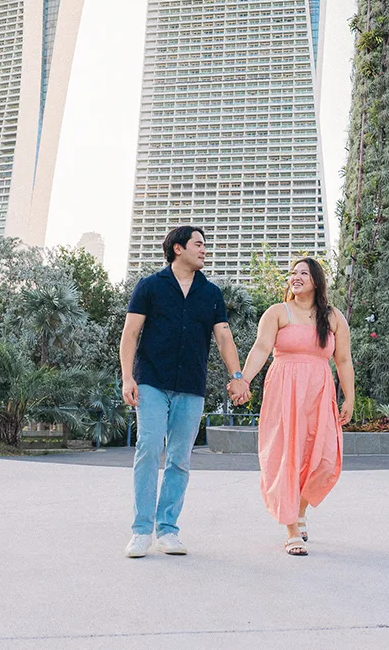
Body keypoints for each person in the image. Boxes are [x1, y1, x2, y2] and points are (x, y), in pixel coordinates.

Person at [119, 225, 249, 558]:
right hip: (151, 380)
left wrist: (237, 376)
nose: (205, 250)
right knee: (148, 448)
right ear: (178, 248)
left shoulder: (211, 294)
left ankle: (168, 530)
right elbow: (131, 333)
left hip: (191, 385)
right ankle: (140, 530)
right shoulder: (150, 286)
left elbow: (224, 338)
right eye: (199, 244)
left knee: (180, 458)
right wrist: (126, 378)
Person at [235, 257, 353, 555]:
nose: (296, 277)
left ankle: (299, 510)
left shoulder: (334, 317)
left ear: (316, 280)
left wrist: (349, 397)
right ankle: (291, 528)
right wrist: (243, 380)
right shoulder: (277, 312)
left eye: (303, 272)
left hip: (319, 391)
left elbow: (343, 360)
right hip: (284, 390)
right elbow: (262, 347)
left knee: (324, 457)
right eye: (293, 273)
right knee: (287, 455)